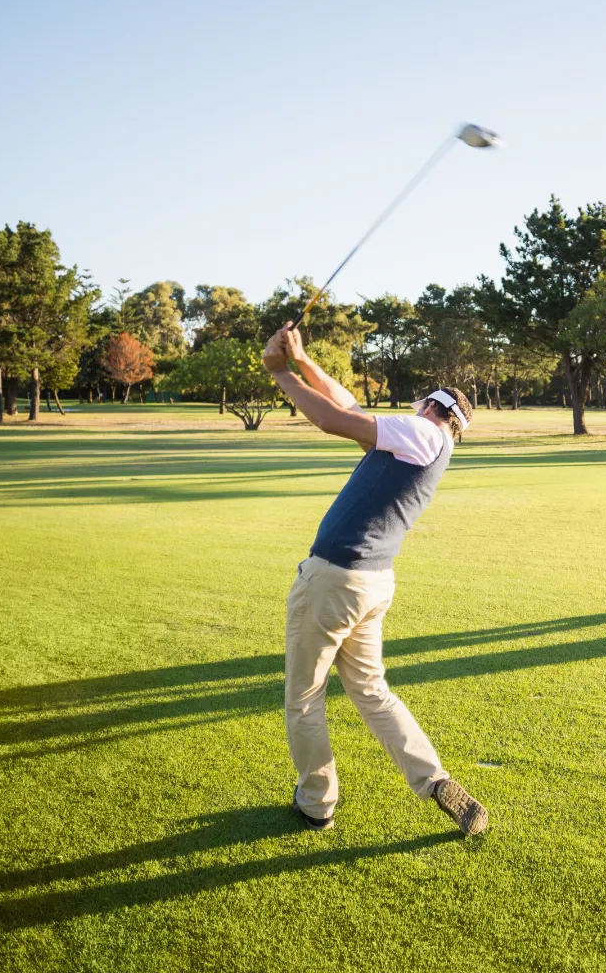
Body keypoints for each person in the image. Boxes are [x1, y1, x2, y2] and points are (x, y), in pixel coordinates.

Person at [261, 323, 488, 836]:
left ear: (431, 408)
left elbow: (331, 419)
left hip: (335, 582)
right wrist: (303, 359)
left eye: (419, 404)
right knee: (371, 690)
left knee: (303, 699)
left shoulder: (422, 432)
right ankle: (434, 780)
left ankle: (316, 803)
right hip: (370, 583)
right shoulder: (430, 443)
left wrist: (281, 374)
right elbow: (351, 408)